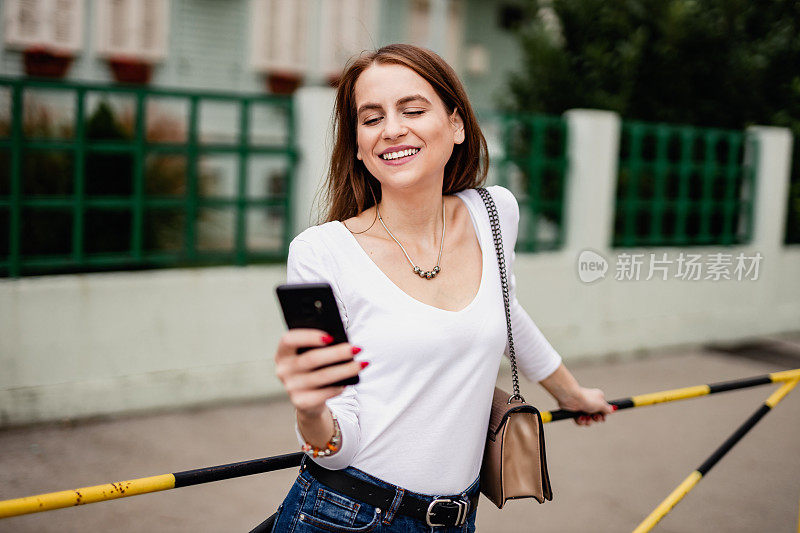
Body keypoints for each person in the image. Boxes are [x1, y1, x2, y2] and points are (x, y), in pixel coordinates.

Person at [270, 44, 613, 532]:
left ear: (457, 126)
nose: (392, 129)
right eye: (371, 119)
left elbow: (506, 310)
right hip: (344, 516)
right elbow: (333, 450)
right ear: (359, 145)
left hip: (456, 520)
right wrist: (310, 411)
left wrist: (572, 393)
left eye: (412, 109)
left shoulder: (494, 214)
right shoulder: (319, 253)